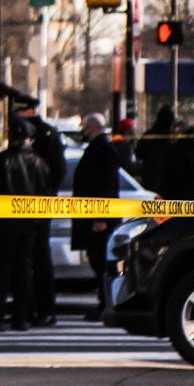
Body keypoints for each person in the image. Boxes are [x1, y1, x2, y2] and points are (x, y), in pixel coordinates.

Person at [0, 118, 48, 330]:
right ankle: (22, 317)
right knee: (24, 269)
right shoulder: (38, 162)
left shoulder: (1, 161)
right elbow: (45, 191)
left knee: (0, 269)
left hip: (4, 223)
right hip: (29, 223)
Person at [11, 103, 66, 325]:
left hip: (37, 208)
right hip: (32, 208)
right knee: (30, 260)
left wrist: (46, 199)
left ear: (28, 111)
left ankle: (43, 309)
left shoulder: (45, 135)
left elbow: (56, 172)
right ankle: (33, 308)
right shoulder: (38, 133)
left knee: (38, 260)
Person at [69, 113, 125, 318]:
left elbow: (106, 186)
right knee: (97, 261)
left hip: (100, 218)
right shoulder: (100, 148)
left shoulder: (105, 150)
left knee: (101, 262)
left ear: (91, 127)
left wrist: (101, 217)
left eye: (84, 127)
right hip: (94, 215)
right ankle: (104, 302)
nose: (82, 131)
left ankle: (106, 304)